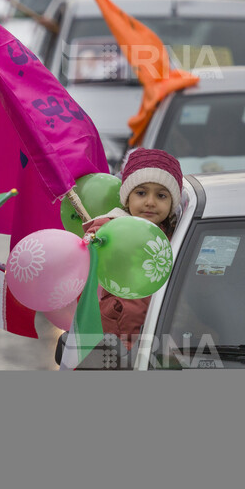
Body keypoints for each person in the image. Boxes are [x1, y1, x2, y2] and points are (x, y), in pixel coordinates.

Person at [83, 148, 185, 351]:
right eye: (141, 193)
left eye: (161, 195)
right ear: (127, 198)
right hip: (115, 336)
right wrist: (93, 241)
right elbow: (89, 247)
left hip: (154, 333)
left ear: (172, 202)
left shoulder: (175, 235)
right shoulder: (110, 228)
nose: (150, 202)